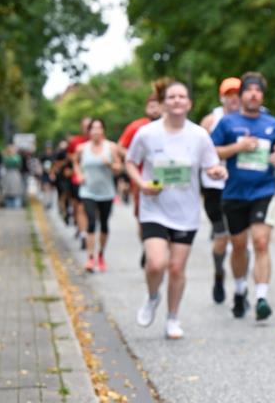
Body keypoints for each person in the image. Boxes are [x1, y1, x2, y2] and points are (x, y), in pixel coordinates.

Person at [126, 79, 226, 339]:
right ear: (162, 104)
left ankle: (172, 318)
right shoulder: (147, 134)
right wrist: (141, 184)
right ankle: (152, 297)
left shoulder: (199, 136)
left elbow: (211, 165)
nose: (177, 101)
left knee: (177, 269)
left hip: (186, 213)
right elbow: (130, 162)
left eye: (182, 96)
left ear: (189, 103)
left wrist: (217, 172)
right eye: (171, 97)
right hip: (154, 208)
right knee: (156, 264)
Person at [210, 72, 275, 322]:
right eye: (249, 90)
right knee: (239, 246)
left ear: (262, 96)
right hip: (234, 194)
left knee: (261, 242)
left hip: (263, 191)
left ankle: (262, 298)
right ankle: (241, 289)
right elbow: (212, 151)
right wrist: (238, 148)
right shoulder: (227, 123)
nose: (253, 94)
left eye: (258, 91)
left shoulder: (272, 124)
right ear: (241, 95)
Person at [200, 77, 242, 303]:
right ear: (222, 97)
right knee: (222, 238)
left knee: (240, 240)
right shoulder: (210, 120)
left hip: (242, 186)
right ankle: (218, 274)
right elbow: (199, 151)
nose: (234, 98)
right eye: (229, 94)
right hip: (215, 188)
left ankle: (240, 287)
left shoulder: (253, 119)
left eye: (237, 93)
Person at [119, 91, 164, 266]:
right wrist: (136, 156)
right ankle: (147, 244)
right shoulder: (138, 127)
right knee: (143, 216)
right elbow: (121, 147)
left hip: (167, 179)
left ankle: (161, 245)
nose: (153, 108)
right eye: (150, 105)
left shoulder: (171, 126)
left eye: (157, 104)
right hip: (142, 179)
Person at [73, 119, 123, 273]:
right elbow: (75, 162)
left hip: (106, 192)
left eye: (99, 128)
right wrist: (79, 174)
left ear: (103, 130)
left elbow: (119, 168)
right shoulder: (82, 148)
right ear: (88, 131)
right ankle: (90, 257)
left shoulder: (111, 147)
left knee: (104, 223)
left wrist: (109, 164)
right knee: (91, 222)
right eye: (93, 128)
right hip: (88, 191)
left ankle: (101, 255)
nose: (96, 131)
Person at [67, 117, 92, 248]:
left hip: (95, 181)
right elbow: (70, 157)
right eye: (85, 126)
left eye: (90, 126)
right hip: (78, 179)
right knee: (80, 206)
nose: (88, 129)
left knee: (92, 209)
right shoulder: (76, 142)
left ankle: (88, 229)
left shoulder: (99, 142)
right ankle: (83, 233)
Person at [0, 144, 25, 209]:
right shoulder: (6, 157)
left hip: (15, 174)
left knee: (16, 190)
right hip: (8, 174)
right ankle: (9, 205)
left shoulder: (17, 157)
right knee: (8, 190)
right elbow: (5, 163)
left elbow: (18, 163)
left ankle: (16, 205)